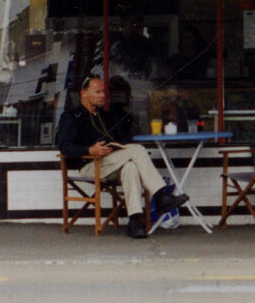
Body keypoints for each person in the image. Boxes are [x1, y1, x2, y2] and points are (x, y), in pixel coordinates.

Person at [57, 75, 182, 239]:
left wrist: (115, 143)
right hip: (90, 166)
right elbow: (65, 147)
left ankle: (134, 221)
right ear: (84, 93)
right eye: (98, 91)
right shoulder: (74, 116)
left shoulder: (106, 115)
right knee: (137, 150)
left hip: (112, 164)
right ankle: (160, 195)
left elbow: (122, 139)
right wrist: (90, 149)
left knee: (130, 168)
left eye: (104, 92)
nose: (103, 95)